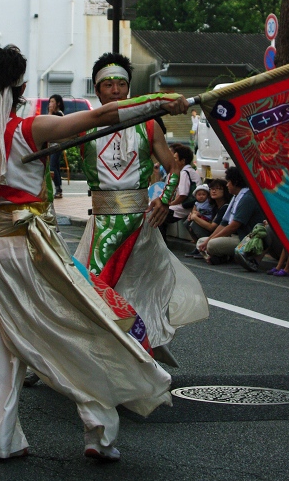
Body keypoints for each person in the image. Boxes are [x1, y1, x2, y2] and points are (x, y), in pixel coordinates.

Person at [0, 44, 189, 463]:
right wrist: (159, 101)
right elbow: (100, 117)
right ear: (22, 87)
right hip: (37, 248)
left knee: (8, 346)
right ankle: (98, 432)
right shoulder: (34, 129)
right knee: (82, 329)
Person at [73, 52, 208, 368]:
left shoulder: (148, 125)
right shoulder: (82, 129)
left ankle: (134, 357)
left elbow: (173, 168)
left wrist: (164, 199)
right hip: (100, 225)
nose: (116, 90)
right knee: (85, 294)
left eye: (121, 83)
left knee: (137, 293)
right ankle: (69, 357)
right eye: (108, 84)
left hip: (140, 226)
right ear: (97, 90)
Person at [197, 166, 265, 264]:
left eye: (228, 182)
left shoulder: (247, 198)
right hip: (232, 236)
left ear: (236, 182)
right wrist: (208, 239)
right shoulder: (235, 197)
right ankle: (221, 257)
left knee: (211, 244)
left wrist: (209, 241)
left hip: (244, 237)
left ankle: (220, 257)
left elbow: (234, 226)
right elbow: (224, 223)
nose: (227, 185)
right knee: (201, 242)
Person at [185, 178, 231, 257]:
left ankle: (203, 248)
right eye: (212, 189)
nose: (213, 191)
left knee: (194, 224)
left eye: (218, 189)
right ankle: (198, 247)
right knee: (187, 222)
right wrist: (195, 214)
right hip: (213, 234)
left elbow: (211, 227)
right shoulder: (213, 205)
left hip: (222, 235)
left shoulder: (225, 207)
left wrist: (195, 217)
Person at [47, 93, 64, 199]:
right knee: (56, 167)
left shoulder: (58, 114)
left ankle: (58, 189)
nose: (50, 104)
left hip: (57, 145)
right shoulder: (55, 114)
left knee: (52, 167)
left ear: (58, 103)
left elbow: (48, 124)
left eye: (52, 101)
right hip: (53, 145)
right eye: (50, 102)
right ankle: (59, 189)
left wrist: (49, 112)